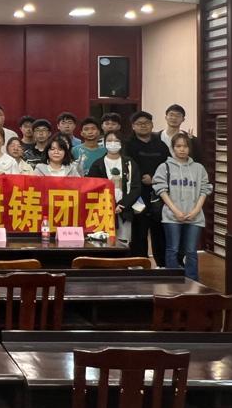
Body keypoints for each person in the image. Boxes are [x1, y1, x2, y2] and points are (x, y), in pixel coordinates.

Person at [153, 132, 212, 281]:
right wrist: (175, 211)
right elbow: (161, 190)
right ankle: (173, 280)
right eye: (178, 146)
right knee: (172, 249)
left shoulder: (198, 168)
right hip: (172, 216)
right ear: (172, 148)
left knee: (191, 251)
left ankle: (192, 281)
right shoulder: (164, 167)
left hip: (195, 217)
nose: (182, 149)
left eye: (185, 146)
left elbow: (205, 189)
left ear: (189, 148)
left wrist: (196, 210)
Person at [125, 110, 171, 265]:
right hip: (137, 195)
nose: (143, 126)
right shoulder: (128, 145)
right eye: (139, 123)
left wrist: (154, 178)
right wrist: (141, 178)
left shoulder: (161, 145)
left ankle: (162, 264)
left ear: (152, 125)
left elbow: (168, 166)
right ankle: (139, 263)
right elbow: (126, 166)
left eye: (146, 123)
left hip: (159, 194)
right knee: (139, 230)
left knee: (159, 229)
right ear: (133, 126)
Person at [88, 131, 141, 243]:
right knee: (103, 243)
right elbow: (92, 187)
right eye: (109, 141)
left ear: (121, 143)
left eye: (116, 141)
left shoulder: (129, 163)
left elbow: (136, 187)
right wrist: (110, 205)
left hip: (124, 210)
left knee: (123, 243)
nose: (113, 143)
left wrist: (122, 204)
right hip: (103, 210)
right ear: (104, 143)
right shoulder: (98, 164)